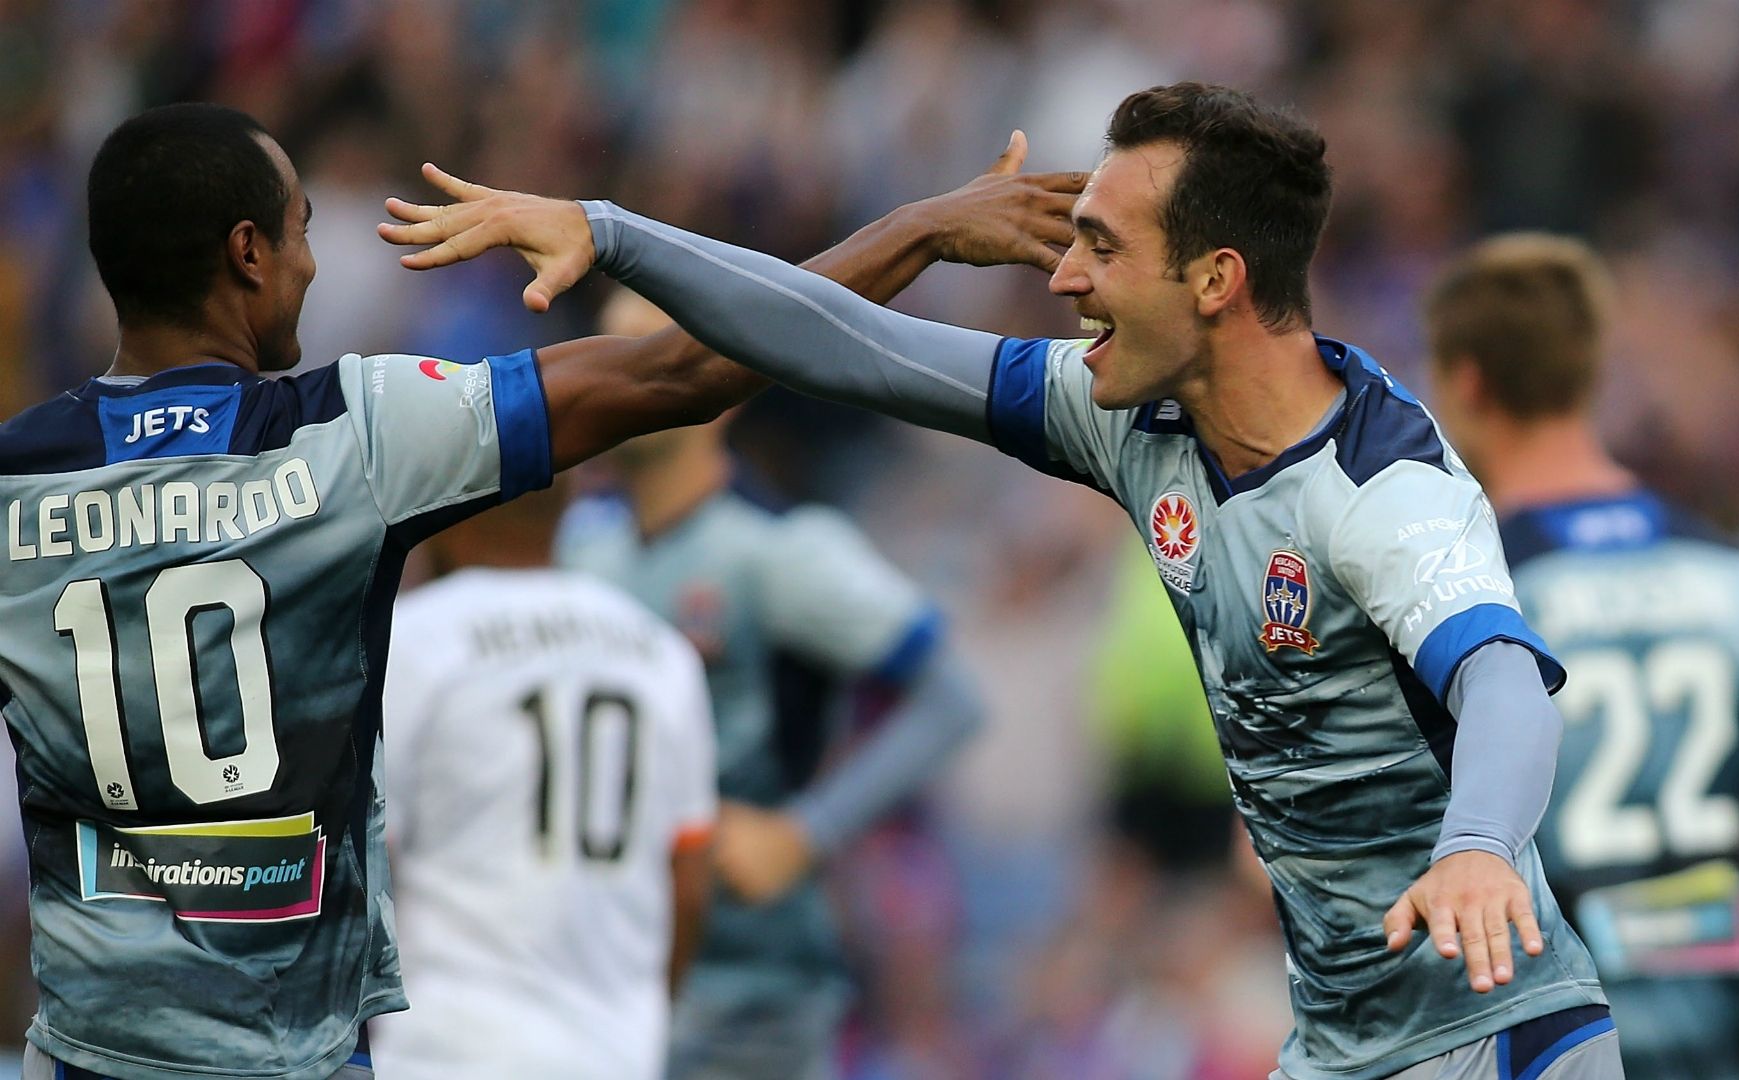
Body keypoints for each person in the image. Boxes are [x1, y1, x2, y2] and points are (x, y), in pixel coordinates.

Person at [381, 81, 1623, 1080]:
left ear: (1215, 280)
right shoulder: (1130, 420)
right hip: (1340, 1042)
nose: (1062, 279)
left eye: (1100, 247)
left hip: (1496, 1037)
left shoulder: (1382, 489)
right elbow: (844, 347)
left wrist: (1475, 847)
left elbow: (1507, 682)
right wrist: (612, 233)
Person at [0, 101, 1080, 1080]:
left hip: (92, 1053)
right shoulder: (351, 437)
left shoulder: (13, 483)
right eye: (300, 230)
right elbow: (686, 371)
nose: (312, 266)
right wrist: (922, 233)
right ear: (247, 253)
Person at [1421, 233, 1739, 1080]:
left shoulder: (1468, 607)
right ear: (1592, 371)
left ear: (1465, 384)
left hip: (1545, 1051)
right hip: (1712, 1044)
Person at [559, 294, 984, 1080]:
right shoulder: (580, 548)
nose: (622, 380)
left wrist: (806, 831)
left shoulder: (784, 553)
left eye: (648, 354)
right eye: (609, 359)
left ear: (717, 382)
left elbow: (953, 701)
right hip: (601, 976)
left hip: (748, 992)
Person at [371, 479, 717, 1080]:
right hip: (616, 1053)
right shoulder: (663, 653)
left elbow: (359, 872)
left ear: (442, 516)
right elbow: (688, 882)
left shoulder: (411, 639)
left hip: (444, 1048)